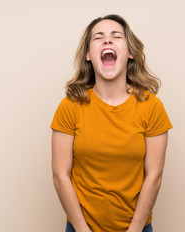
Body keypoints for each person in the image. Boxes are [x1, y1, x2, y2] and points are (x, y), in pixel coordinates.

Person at [50, 14, 172, 232]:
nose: (107, 40)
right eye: (98, 37)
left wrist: (134, 229)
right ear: (88, 55)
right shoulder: (69, 106)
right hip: (80, 228)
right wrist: (81, 229)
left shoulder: (151, 107)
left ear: (130, 53)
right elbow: (60, 175)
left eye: (116, 36)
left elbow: (154, 175)